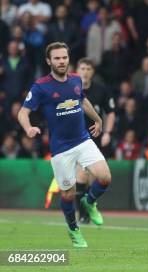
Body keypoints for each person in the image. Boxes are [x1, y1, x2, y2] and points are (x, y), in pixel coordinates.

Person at [17, 42, 112, 248]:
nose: (61, 61)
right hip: (61, 149)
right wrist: (28, 128)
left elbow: (82, 100)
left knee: (104, 177)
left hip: (83, 140)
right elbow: (22, 112)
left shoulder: (76, 79)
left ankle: (89, 201)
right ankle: (73, 228)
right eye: (57, 58)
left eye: (64, 57)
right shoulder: (41, 86)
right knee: (67, 195)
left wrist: (98, 119)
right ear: (49, 61)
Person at [74, 58, 116, 224]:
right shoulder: (71, 90)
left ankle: (88, 206)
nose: (85, 71)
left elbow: (111, 112)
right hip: (76, 139)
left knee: (94, 178)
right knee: (82, 175)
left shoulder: (101, 90)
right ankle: (83, 216)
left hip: (96, 139)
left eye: (88, 69)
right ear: (77, 70)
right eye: (82, 68)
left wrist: (108, 132)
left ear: (93, 72)